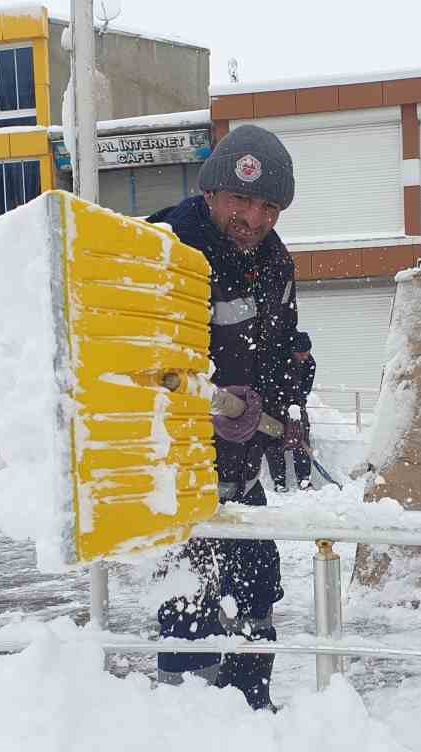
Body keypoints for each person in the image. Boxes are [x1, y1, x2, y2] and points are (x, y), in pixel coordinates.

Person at [145, 124, 298, 711]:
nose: (254, 218)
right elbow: (142, 366)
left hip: (243, 469)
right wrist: (203, 406)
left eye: (269, 207)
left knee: (257, 593)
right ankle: (191, 730)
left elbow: (284, 350)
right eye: (241, 199)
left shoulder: (275, 261)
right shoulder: (168, 248)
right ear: (210, 191)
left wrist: (282, 408)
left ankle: (253, 714)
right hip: (183, 476)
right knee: (191, 606)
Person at [264, 331, 316, 491]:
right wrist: (279, 406)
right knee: (274, 441)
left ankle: (304, 480)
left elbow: (305, 389)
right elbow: (270, 385)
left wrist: (297, 406)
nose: (305, 356)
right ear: (293, 351)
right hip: (275, 405)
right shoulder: (279, 360)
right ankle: (279, 482)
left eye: (307, 353)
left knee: (302, 438)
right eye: (301, 353)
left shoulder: (309, 363)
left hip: (297, 405)